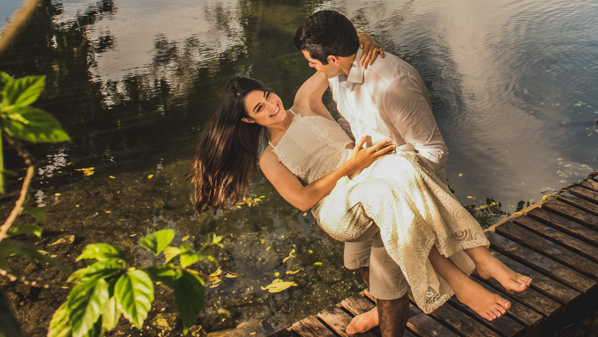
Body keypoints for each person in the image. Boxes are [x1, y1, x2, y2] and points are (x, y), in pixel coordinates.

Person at [189, 74, 531, 326]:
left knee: (404, 163)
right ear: (248, 119)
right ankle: (459, 280)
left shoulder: (304, 102)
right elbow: (303, 200)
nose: (271, 106)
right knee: (381, 192)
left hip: (369, 172)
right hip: (336, 206)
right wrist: (349, 167)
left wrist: (363, 39)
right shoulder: (270, 157)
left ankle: (480, 257)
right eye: (260, 108)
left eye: (267, 95)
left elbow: (332, 60)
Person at [292, 10, 449, 335]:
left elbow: (434, 151)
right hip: (365, 187)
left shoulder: (394, 85)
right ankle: (385, 308)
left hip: (401, 195)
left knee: (387, 281)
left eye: (312, 61)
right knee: (358, 260)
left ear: (332, 58)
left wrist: (394, 183)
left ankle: (392, 315)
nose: (311, 67)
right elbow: (351, 122)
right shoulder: (338, 73)